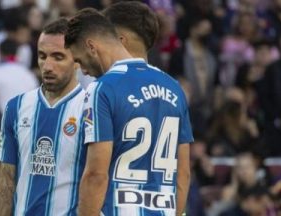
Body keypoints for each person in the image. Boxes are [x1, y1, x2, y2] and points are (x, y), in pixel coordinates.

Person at [65, 9, 192, 216]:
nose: (82, 70)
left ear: (91, 46)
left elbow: (96, 174)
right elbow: (183, 173)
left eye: (79, 60)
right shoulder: (174, 88)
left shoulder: (102, 88)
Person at [0, 18, 87, 216]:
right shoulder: (15, 107)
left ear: (78, 60)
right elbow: (6, 179)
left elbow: (99, 179)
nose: (47, 66)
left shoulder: (92, 108)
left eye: (58, 57)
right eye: (42, 56)